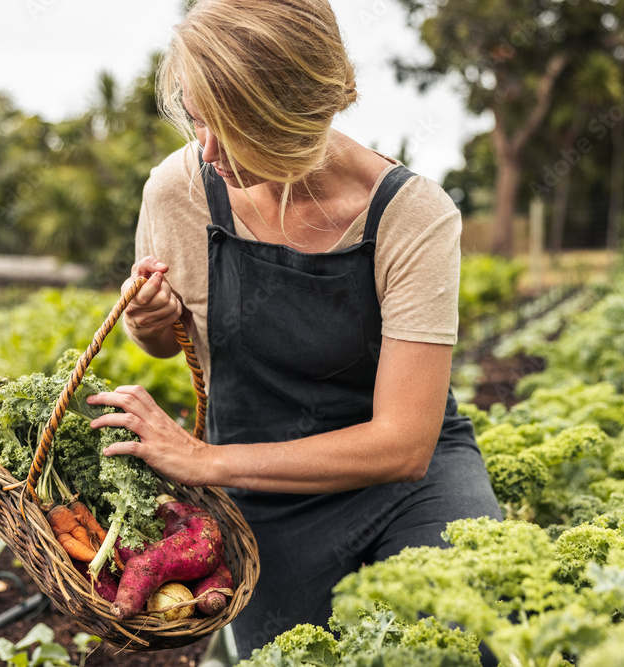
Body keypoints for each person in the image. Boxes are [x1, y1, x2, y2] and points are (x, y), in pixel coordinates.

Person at [86, 0, 501, 658]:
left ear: (296, 113)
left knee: (453, 639)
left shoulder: (412, 215)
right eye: (197, 119)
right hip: (266, 502)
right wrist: (149, 320)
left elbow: (405, 444)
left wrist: (202, 461)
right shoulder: (178, 191)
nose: (209, 149)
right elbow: (165, 343)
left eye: (234, 125)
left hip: (405, 488)